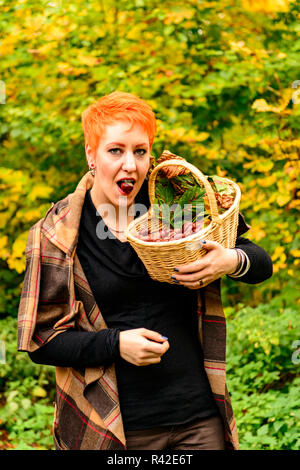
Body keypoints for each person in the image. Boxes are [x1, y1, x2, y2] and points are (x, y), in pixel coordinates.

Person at [17, 91, 273, 451]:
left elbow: (260, 262)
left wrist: (229, 260)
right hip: (112, 430)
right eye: (115, 150)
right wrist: (115, 344)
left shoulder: (175, 204)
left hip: (198, 422)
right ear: (91, 154)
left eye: (140, 151)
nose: (130, 165)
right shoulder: (57, 233)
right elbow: (41, 341)